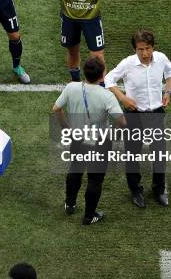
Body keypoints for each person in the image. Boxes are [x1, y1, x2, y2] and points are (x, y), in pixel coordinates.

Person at [104, 30, 171, 208]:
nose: (144, 53)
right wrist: (123, 98)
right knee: (132, 154)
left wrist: (168, 91)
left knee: (159, 154)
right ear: (135, 49)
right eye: (140, 49)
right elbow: (108, 78)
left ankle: (159, 190)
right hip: (134, 114)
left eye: (148, 48)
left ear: (153, 47)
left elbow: (170, 71)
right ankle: (135, 190)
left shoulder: (160, 58)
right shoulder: (128, 63)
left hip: (156, 113)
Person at [52, 57, 125, 225]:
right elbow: (121, 121)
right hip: (99, 144)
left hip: (77, 139)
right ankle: (89, 215)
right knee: (95, 179)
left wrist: (66, 128)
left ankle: (69, 204)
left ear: (84, 72)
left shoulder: (71, 88)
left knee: (75, 171)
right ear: (102, 75)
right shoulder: (107, 96)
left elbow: (56, 109)